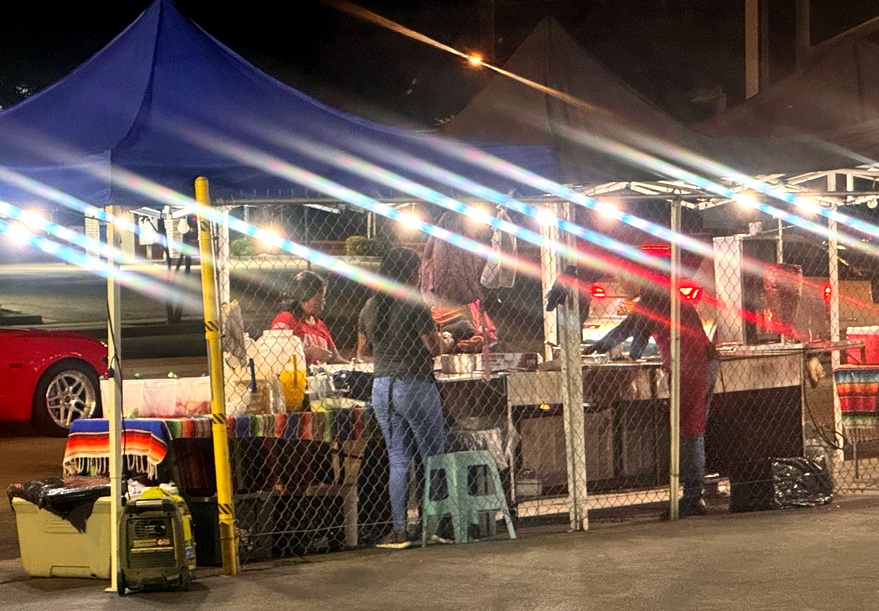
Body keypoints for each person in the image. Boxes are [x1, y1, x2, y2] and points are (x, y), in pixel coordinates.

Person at [583, 272, 720, 517]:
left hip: (691, 365)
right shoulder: (658, 298)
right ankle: (693, 494)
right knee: (691, 428)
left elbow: (637, 337)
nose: (621, 284)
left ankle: (693, 497)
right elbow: (628, 327)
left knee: (689, 430)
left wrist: (630, 355)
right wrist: (597, 346)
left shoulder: (654, 301)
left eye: (625, 279)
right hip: (698, 362)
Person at [357, 246, 456, 549]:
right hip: (414, 385)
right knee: (432, 456)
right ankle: (435, 525)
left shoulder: (370, 306)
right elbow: (433, 347)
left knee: (398, 459)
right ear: (410, 273)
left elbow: (363, 352)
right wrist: (447, 340)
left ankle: (399, 530)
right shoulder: (415, 303)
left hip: (381, 388)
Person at [270, 270, 346, 366]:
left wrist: (358, 366)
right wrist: (307, 353)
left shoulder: (320, 324)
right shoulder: (286, 320)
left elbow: (336, 359)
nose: (323, 303)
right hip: (296, 377)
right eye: (318, 299)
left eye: (323, 298)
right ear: (303, 299)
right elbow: (274, 355)